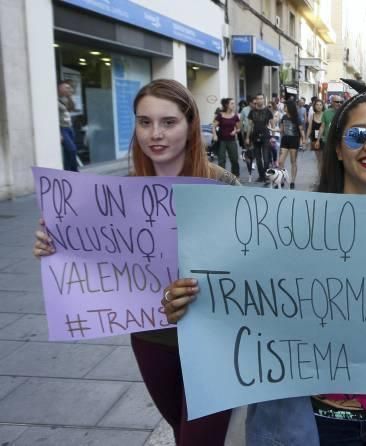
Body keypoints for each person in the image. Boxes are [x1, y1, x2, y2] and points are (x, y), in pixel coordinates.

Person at [163, 80, 366, 445]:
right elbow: (242, 293)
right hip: (318, 422)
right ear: (337, 148)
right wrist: (191, 303)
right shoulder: (288, 227)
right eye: (358, 135)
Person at [34, 79, 239, 445]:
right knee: (180, 429)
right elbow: (96, 255)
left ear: (190, 124)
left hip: (215, 342)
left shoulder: (222, 185)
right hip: (152, 337)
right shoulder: (116, 194)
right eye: (145, 122)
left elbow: (253, 266)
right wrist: (56, 246)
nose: (155, 134)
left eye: (168, 122)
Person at [246, 93, 274, 182]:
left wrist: (273, 136)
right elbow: (250, 125)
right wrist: (247, 137)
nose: (260, 100)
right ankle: (261, 176)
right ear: (256, 100)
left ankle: (266, 175)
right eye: (258, 99)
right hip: (255, 136)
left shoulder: (268, 111)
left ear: (263, 100)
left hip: (266, 136)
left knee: (266, 158)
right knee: (258, 159)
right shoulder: (252, 111)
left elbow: (272, 124)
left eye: (261, 98)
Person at [212, 98, 241, 178]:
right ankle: (222, 177)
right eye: (232, 103)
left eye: (234, 103)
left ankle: (236, 176)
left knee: (234, 159)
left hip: (231, 140)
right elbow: (213, 126)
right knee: (221, 160)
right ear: (227, 105)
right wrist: (215, 135)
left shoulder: (235, 116)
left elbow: (238, 128)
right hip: (222, 141)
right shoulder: (220, 115)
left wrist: (235, 132)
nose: (233, 105)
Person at [277, 100, 303, 189]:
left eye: (285, 106)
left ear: (290, 107)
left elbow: (301, 130)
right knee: (280, 161)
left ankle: (292, 181)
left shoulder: (296, 117)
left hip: (294, 140)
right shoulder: (283, 117)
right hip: (285, 140)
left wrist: (303, 140)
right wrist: (272, 129)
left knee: (293, 161)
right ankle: (282, 179)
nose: (283, 108)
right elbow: (281, 130)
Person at [57, 80, 79, 172]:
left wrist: (70, 96)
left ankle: (67, 171)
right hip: (62, 129)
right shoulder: (54, 100)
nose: (69, 89)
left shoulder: (65, 99)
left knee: (68, 152)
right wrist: (59, 133)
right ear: (60, 88)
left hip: (69, 128)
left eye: (69, 88)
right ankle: (74, 171)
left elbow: (72, 108)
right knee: (71, 149)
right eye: (66, 88)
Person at [306, 98, 325, 179]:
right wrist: (306, 139)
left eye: (320, 105)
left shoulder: (325, 114)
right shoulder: (312, 115)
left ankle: (323, 177)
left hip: (324, 139)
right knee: (319, 160)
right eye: (317, 105)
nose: (319, 106)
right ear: (314, 106)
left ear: (323, 106)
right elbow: (309, 128)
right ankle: (320, 177)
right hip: (314, 139)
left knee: (324, 159)